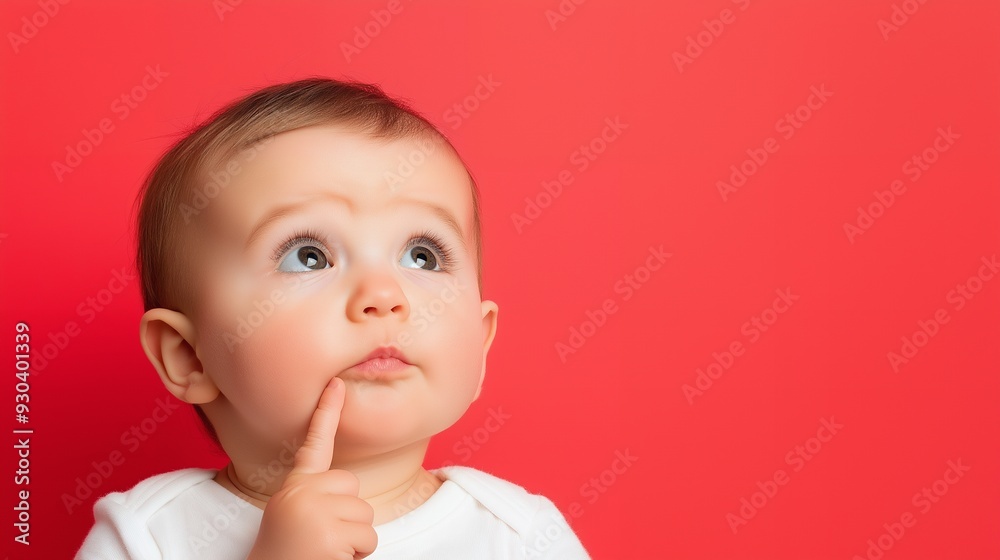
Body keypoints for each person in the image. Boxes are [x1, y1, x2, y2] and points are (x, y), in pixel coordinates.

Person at [74, 77, 590, 559]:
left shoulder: (519, 538)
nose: (385, 295)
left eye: (422, 255)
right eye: (308, 256)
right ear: (189, 356)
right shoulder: (150, 537)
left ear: (480, 347)